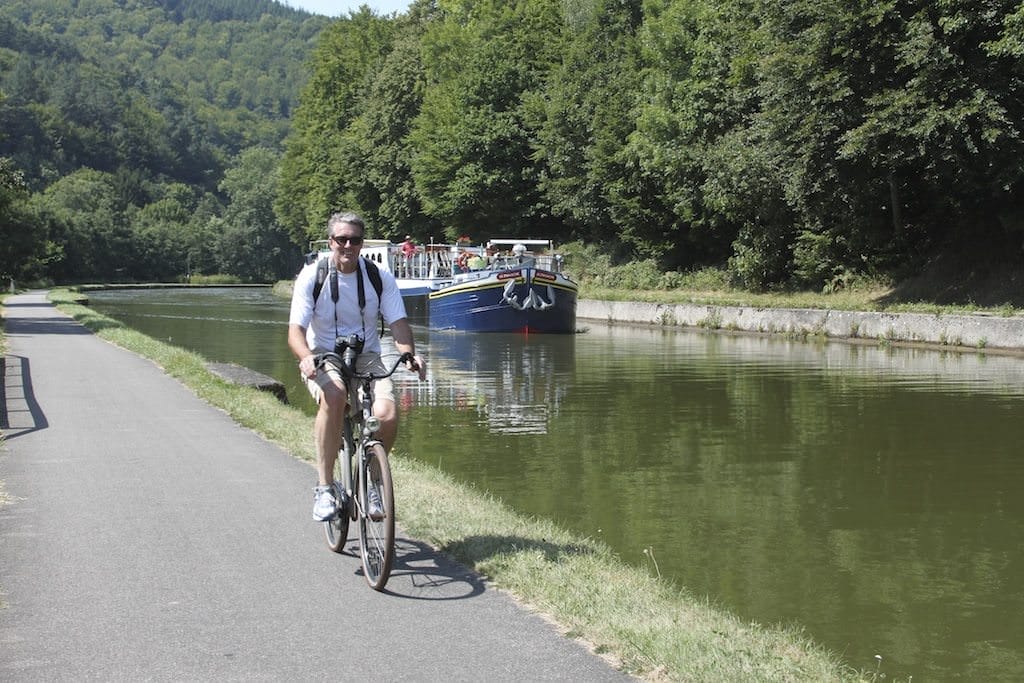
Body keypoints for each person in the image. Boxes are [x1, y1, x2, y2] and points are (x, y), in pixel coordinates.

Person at [288, 212, 426, 522]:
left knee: (387, 415)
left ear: (362, 243)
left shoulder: (378, 276)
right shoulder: (313, 276)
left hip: (367, 355)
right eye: (341, 239)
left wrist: (409, 355)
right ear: (331, 242)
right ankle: (324, 488)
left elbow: (398, 324)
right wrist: (306, 357)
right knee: (335, 396)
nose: (348, 245)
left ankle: (372, 481)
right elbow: (295, 331)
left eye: (354, 240)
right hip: (323, 353)